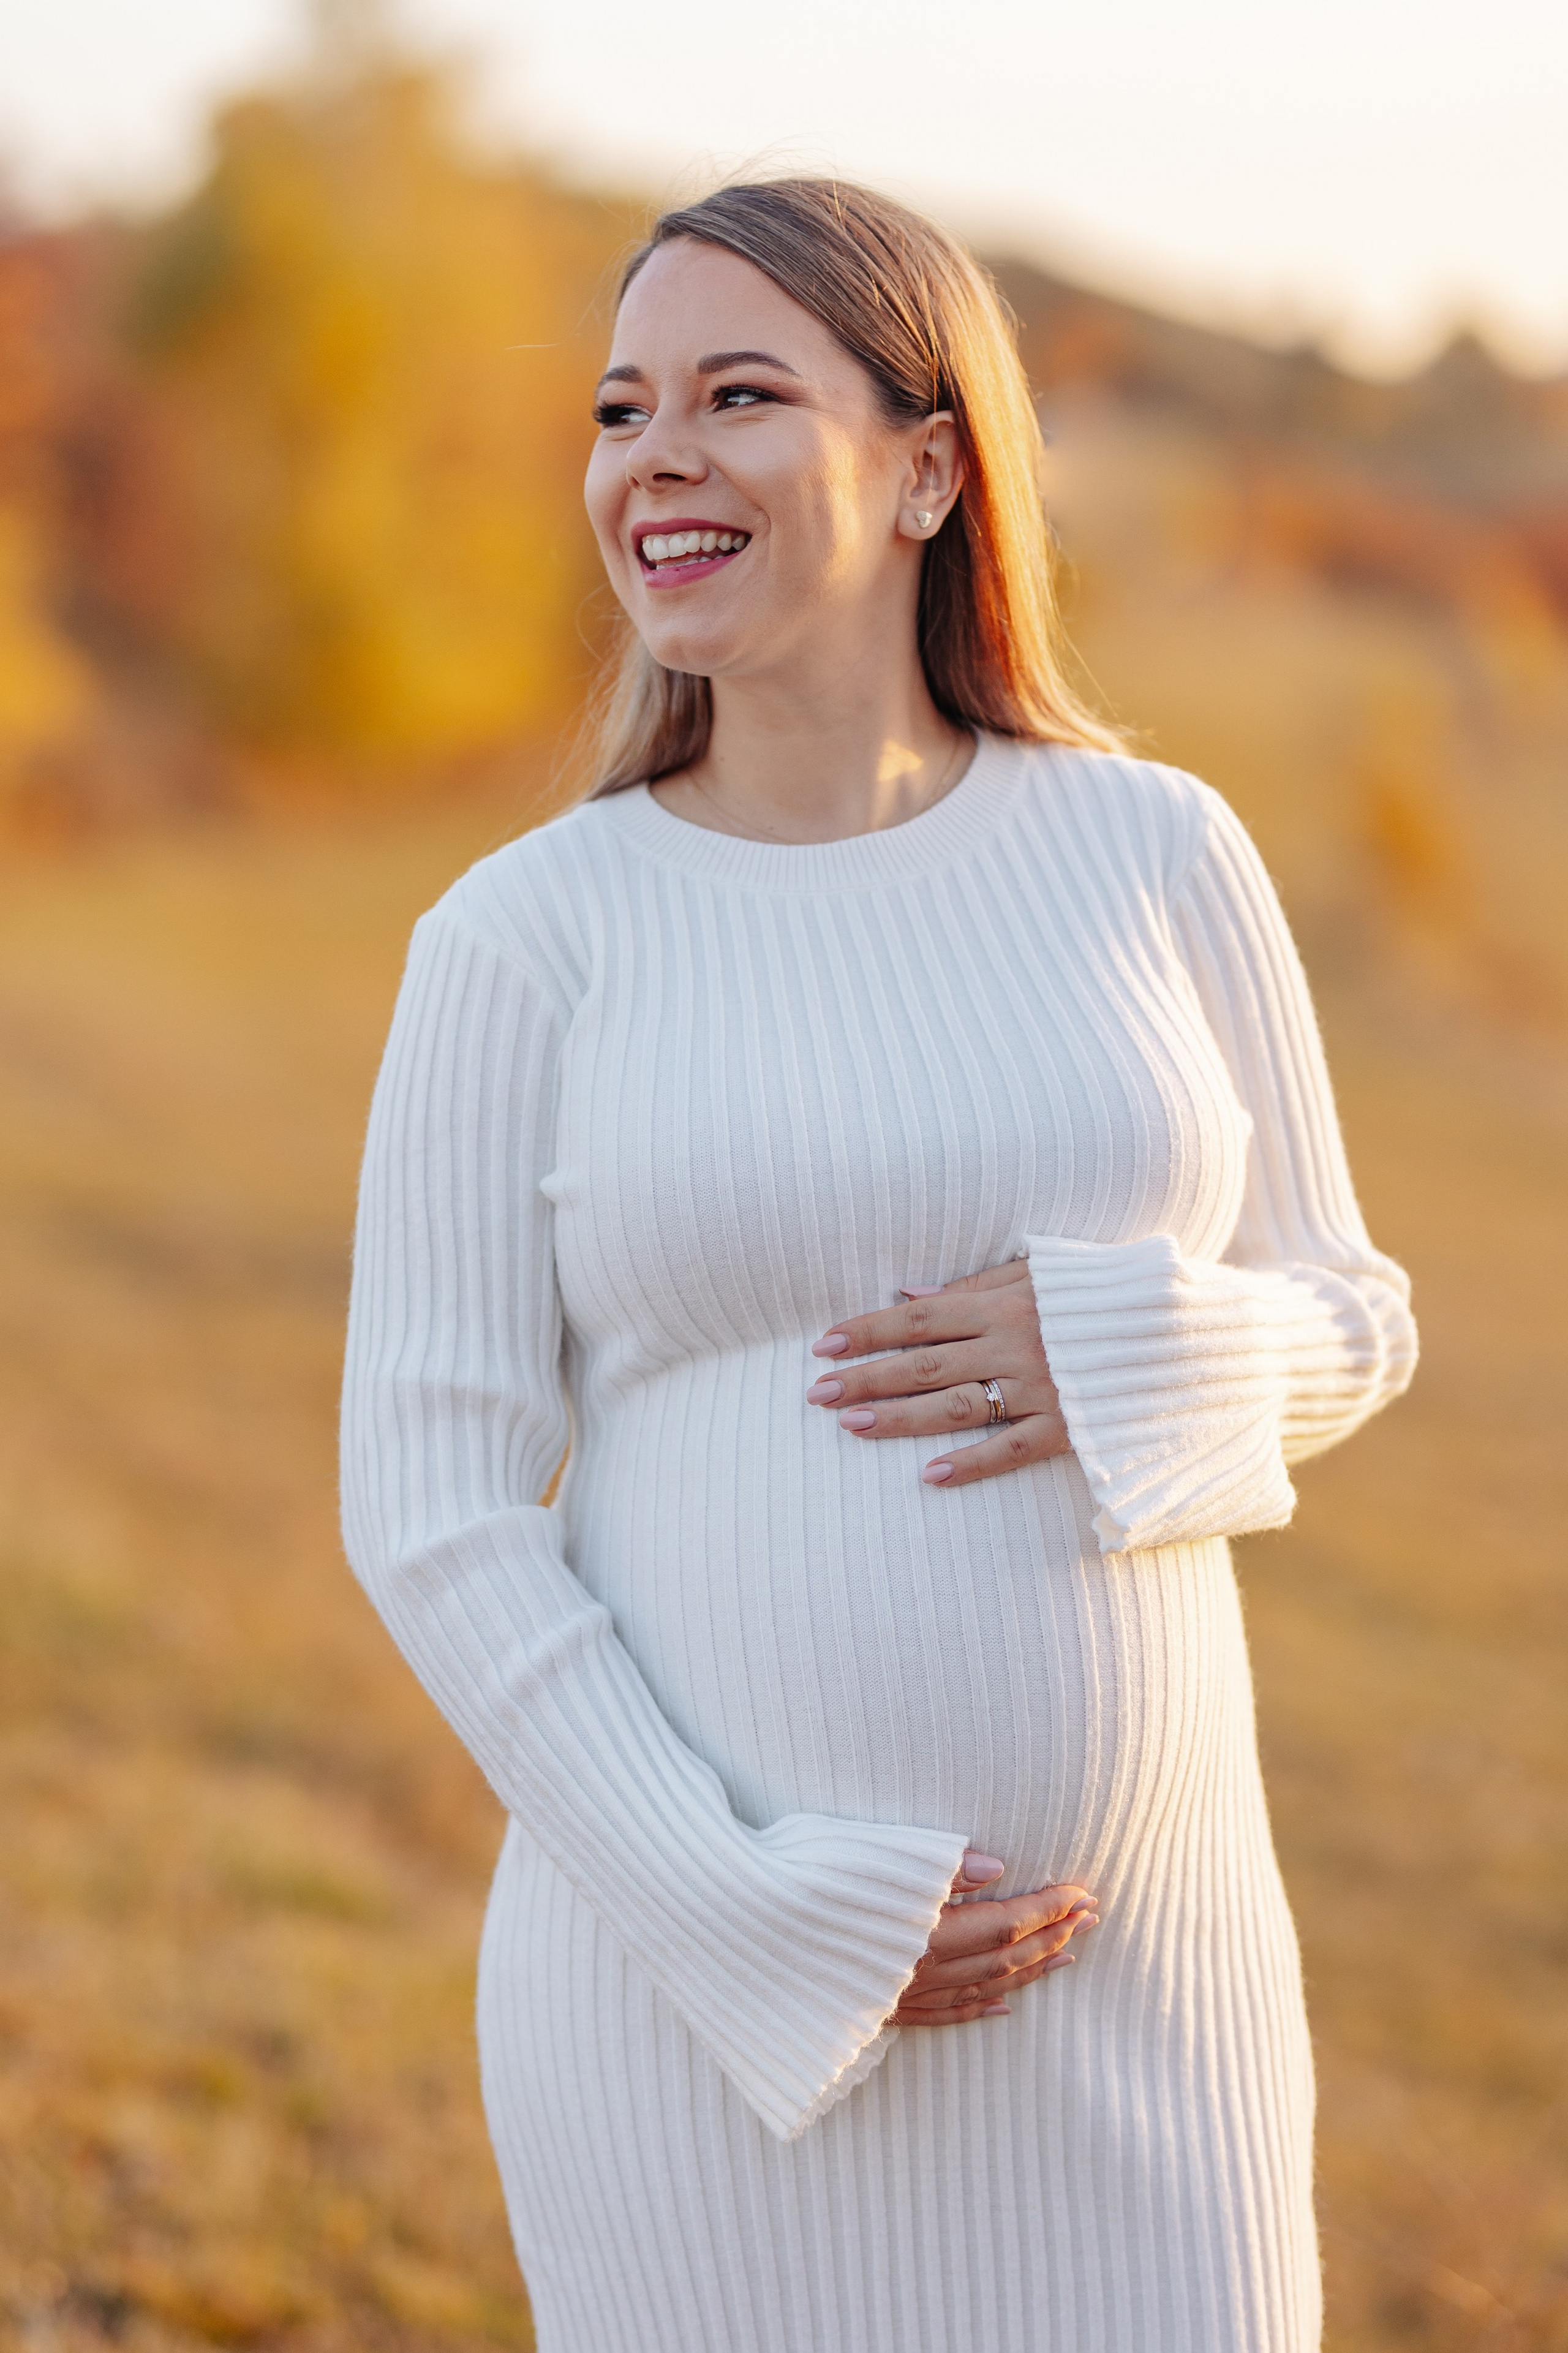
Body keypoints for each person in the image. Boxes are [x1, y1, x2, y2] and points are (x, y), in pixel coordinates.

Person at [339, 177, 1417, 2353]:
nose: (656, 456)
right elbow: (433, 1509)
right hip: (702, 2008)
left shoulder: (1152, 848)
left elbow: (1353, 1308)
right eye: (625, 406)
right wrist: (746, 1910)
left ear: (932, 462)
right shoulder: (524, 939)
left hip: (1149, 1997)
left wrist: (1133, 1341)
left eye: (742, 393)